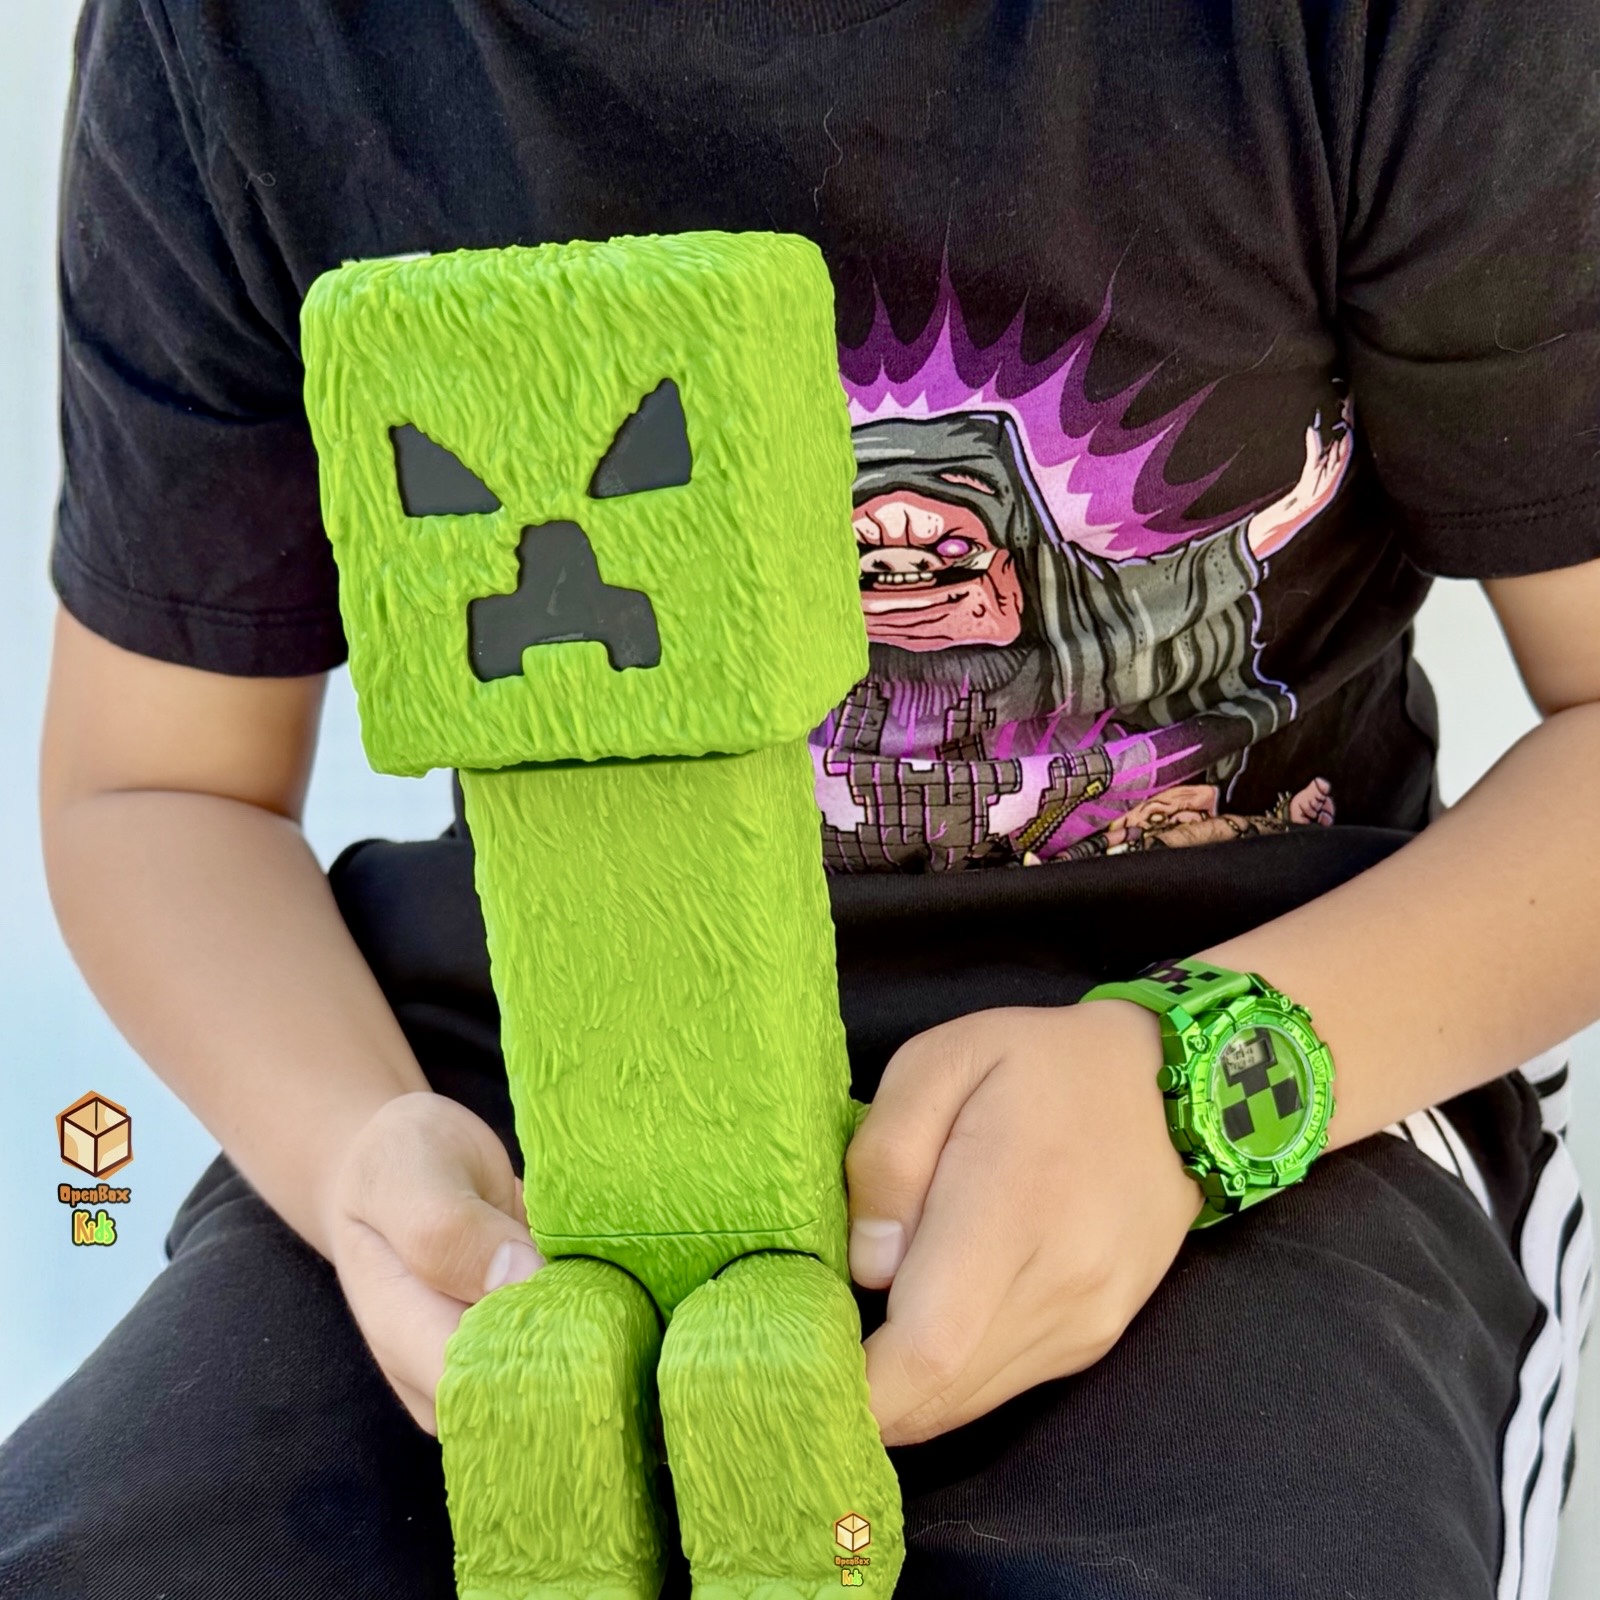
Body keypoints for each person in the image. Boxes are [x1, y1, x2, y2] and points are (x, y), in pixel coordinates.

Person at [2, 2, 1597, 1595]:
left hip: (1256, 1074)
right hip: (513, 1095)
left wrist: (1196, 1089)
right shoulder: (238, 40)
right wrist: (357, 1157)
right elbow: (157, 784)